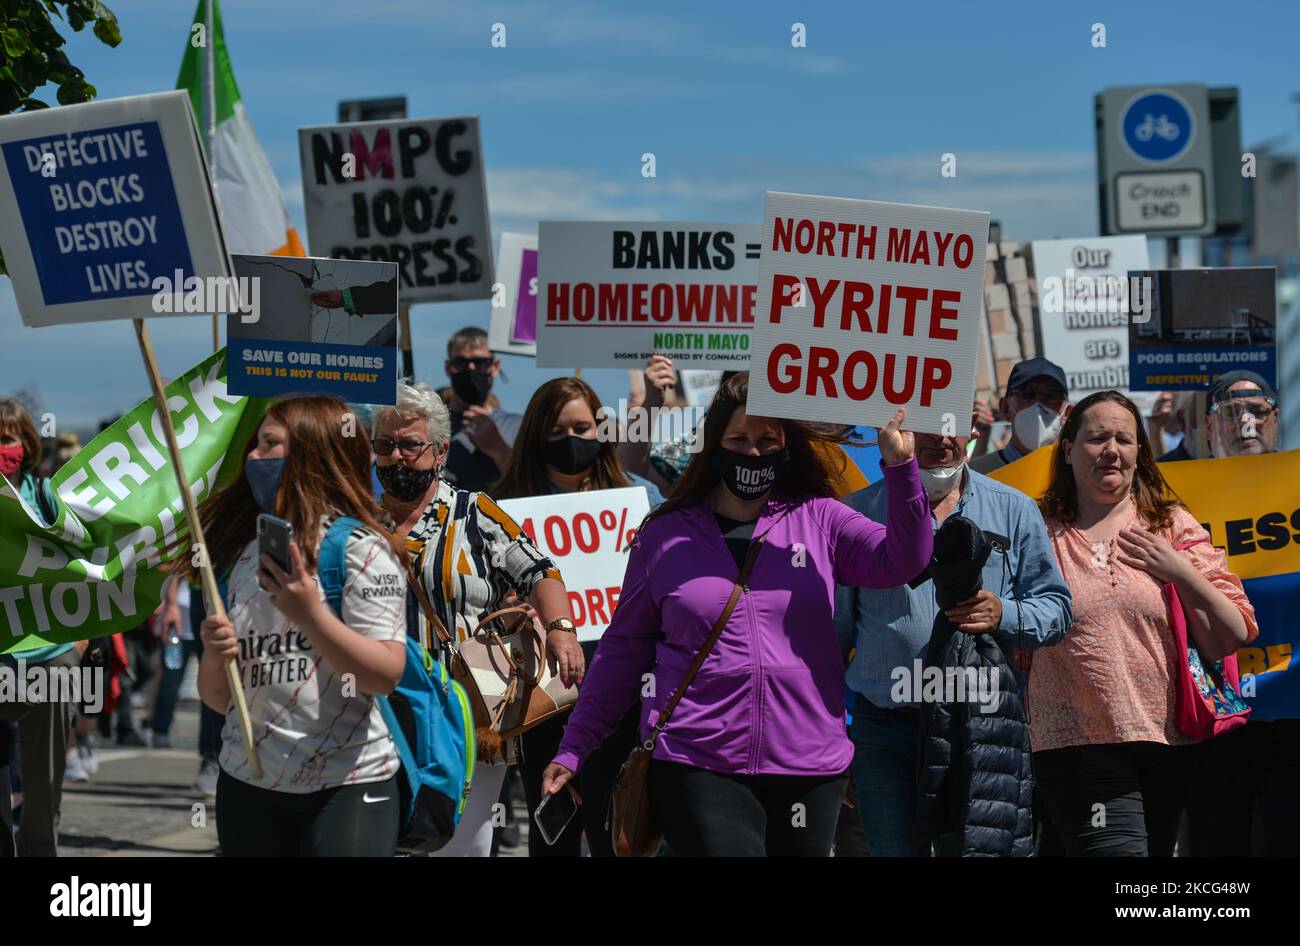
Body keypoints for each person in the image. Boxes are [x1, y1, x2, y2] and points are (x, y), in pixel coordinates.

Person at [541, 372, 933, 857]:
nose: (753, 452)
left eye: (767, 439)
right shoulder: (663, 535)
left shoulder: (822, 518)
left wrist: (901, 469)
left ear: (787, 446)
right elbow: (623, 652)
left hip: (809, 761)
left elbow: (904, 560)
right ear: (714, 445)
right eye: (739, 439)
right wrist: (575, 745)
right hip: (697, 758)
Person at [1029, 391, 1258, 857]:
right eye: (1096, 438)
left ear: (1140, 452)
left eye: (1124, 439)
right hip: (1074, 742)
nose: (1111, 449)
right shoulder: (1035, 530)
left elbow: (1235, 631)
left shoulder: (1171, 524)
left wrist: (1178, 569)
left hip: (1168, 743)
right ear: (1068, 450)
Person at [835, 417, 1072, 855]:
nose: (941, 437)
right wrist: (838, 738)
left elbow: (1057, 611)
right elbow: (832, 638)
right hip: (886, 728)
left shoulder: (1013, 509)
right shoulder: (857, 514)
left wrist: (1005, 613)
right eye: (927, 424)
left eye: (953, 424)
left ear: (971, 431)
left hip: (979, 726)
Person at [189, 396, 409, 857]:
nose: (252, 456)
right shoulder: (243, 554)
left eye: (269, 444)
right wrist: (215, 653)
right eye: (255, 444)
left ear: (311, 454)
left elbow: (384, 674)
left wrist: (311, 615)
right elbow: (218, 698)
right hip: (248, 780)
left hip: (347, 784)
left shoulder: (361, 550)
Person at [372, 380, 584, 857]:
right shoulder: (359, 517)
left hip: (469, 710)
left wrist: (561, 629)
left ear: (441, 450)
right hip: (378, 709)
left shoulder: (475, 513)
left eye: (410, 444)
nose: (397, 457)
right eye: (385, 446)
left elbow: (541, 571)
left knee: (458, 845)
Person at [494, 376, 663, 857]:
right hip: (545, 697)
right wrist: (509, 610)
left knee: (621, 831)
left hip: (627, 694)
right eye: (554, 431)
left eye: (582, 428)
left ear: (601, 430)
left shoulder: (643, 499)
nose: (570, 440)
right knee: (554, 836)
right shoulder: (500, 511)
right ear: (534, 437)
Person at [1182, 371, 1298, 856]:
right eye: (1231, 413)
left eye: (1258, 411)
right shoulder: (1172, 496)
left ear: (1276, 421)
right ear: (1210, 428)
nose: (1246, 423)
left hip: (1293, 709)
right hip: (1214, 710)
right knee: (1217, 840)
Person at [0, 398, 85, 856]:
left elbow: (83, 554)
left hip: (48, 657)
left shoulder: (47, 494)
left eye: (8, 438)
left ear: (28, 444)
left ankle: (37, 849)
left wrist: (81, 636)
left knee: (43, 776)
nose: (2, 448)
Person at [151, 574, 224, 794]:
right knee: (204, 678)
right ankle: (211, 756)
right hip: (204, 595)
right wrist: (171, 604)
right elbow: (175, 562)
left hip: (241, 586)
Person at [442, 327, 521, 491]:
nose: (471, 369)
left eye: (480, 363)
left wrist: (497, 446)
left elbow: (531, 483)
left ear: (495, 366)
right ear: (448, 368)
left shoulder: (517, 426)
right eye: (460, 363)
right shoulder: (432, 426)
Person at [971, 357, 1072, 474]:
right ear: (1006, 408)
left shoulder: (1079, 473)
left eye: (1051, 396)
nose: (1037, 405)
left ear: (1066, 413)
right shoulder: (978, 473)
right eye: (1027, 394)